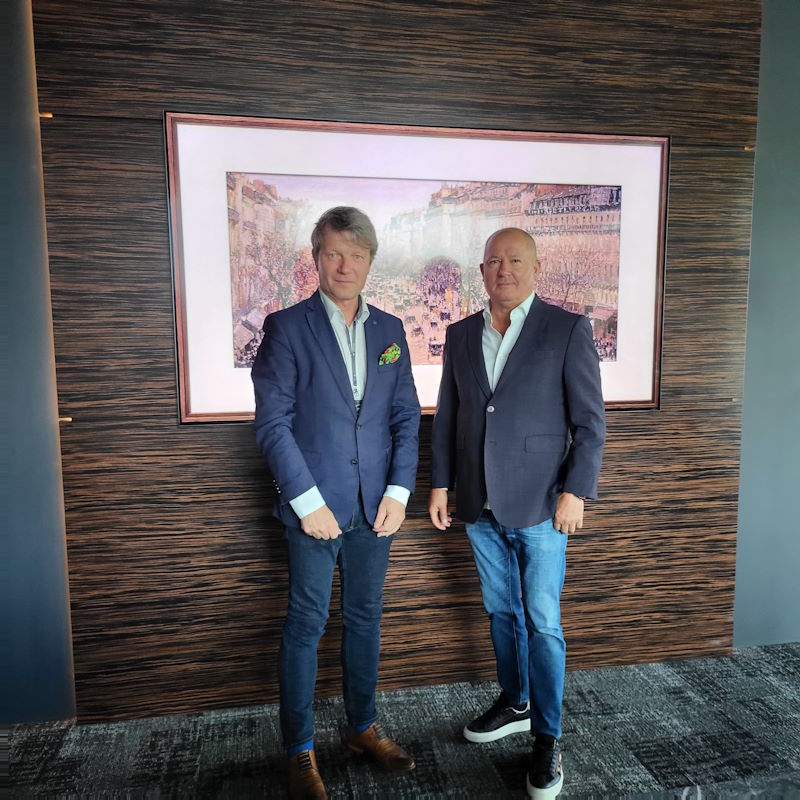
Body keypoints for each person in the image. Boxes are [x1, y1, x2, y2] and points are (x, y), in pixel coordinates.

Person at [428, 228, 605, 800]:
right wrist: (440, 485)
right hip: (478, 504)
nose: (504, 270)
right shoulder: (460, 334)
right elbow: (448, 417)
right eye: (494, 261)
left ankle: (548, 738)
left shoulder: (568, 328)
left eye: (515, 260)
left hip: (542, 505)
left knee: (543, 621)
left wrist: (576, 491)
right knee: (500, 612)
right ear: (482, 271)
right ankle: (516, 700)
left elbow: (590, 423)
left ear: (535, 267)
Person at [252, 206, 420, 800]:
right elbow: (273, 424)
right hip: (314, 511)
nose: (345, 266)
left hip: (377, 509)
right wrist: (306, 502)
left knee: (366, 619)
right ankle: (299, 750)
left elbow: (405, 418)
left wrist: (399, 490)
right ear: (316, 258)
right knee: (306, 624)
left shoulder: (391, 330)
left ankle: (361, 728)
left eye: (357, 255)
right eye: (333, 253)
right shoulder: (285, 327)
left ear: (370, 261)